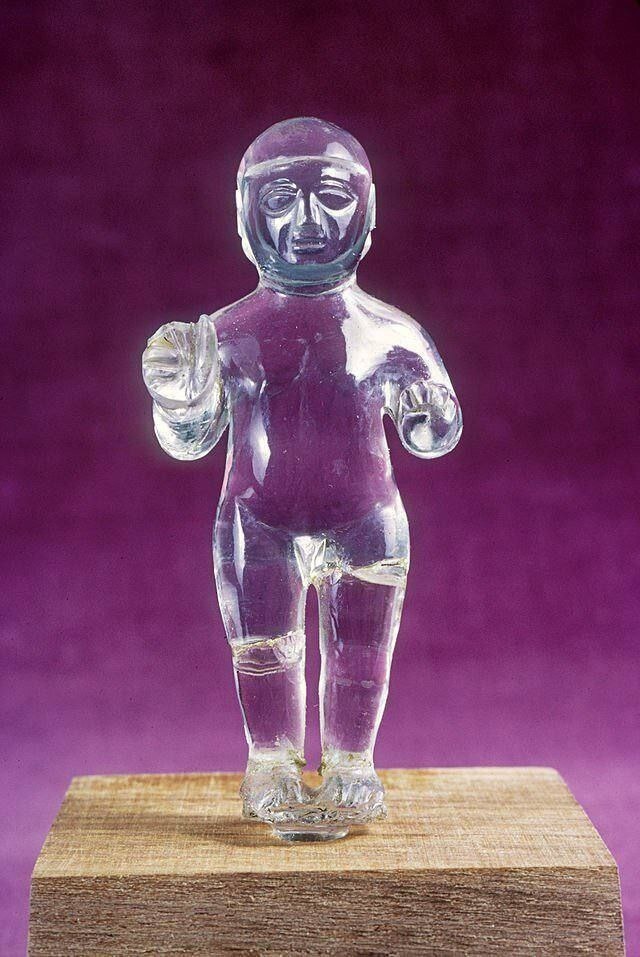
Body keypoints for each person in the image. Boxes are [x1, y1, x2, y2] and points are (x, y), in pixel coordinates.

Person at [142, 117, 462, 836]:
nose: (308, 222)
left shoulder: (389, 333)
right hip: (258, 523)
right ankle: (273, 766)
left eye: (333, 198)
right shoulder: (227, 334)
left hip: (366, 521)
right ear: (244, 216)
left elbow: (435, 435)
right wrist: (178, 398)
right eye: (281, 201)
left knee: (361, 655)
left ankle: (351, 766)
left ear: (368, 211)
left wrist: (432, 409)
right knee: (263, 653)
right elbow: (192, 440)